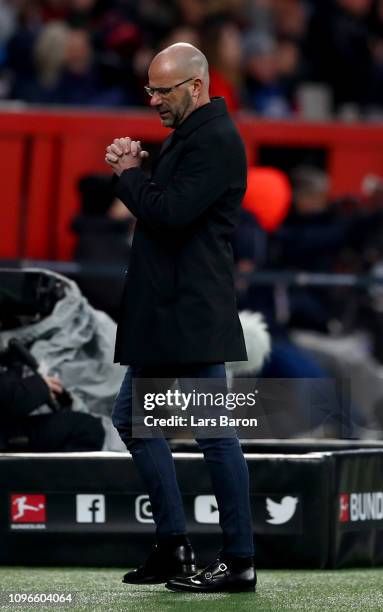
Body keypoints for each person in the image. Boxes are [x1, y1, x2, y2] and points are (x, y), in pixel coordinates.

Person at [105, 43, 256, 593]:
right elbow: (168, 200)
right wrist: (142, 168)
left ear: (195, 86)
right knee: (135, 422)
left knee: (215, 436)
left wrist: (127, 174)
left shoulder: (214, 139)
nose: (153, 102)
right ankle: (174, 547)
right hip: (170, 314)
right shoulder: (193, 137)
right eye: (149, 91)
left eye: (162, 91)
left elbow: (168, 213)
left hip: (188, 314)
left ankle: (238, 560)